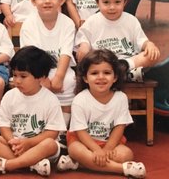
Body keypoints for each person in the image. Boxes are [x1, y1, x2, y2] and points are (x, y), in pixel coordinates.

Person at [56, 49, 146, 178]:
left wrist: (107, 149)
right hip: (83, 142)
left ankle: (78, 164)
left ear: (115, 77)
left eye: (107, 72)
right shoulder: (80, 100)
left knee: (126, 155)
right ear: (85, 78)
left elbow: (119, 127)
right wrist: (97, 150)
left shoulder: (121, 98)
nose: (101, 77)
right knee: (74, 149)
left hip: (109, 142)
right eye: (94, 73)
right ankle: (123, 169)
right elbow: (80, 132)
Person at [0, 46, 66, 177]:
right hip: (15, 147)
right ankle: (31, 165)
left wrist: (28, 143)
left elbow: (52, 133)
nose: (17, 80)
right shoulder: (9, 96)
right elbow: (3, 125)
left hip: (38, 148)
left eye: (23, 76)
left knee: (50, 145)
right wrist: (12, 142)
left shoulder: (50, 99)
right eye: (14, 75)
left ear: (41, 77)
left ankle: (7, 165)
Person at [75, 0, 160, 81]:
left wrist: (149, 45)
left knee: (153, 55)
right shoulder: (92, 21)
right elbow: (83, 40)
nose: (112, 7)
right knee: (83, 55)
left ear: (124, 1)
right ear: (97, 2)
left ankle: (122, 69)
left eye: (117, 2)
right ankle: (124, 75)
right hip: (101, 66)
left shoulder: (131, 20)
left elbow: (142, 41)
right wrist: (84, 45)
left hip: (127, 62)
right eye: (106, 2)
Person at [20, 0, 76, 126]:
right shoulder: (29, 24)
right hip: (36, 70)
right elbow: (31, 56)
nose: (47, 1)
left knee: (69, 80)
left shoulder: (68, 23)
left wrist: (58, 77)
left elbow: (66, 52)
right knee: (33, 84)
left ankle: (62, 130)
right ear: (32, 0)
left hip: (61, 68)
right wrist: (42, 79)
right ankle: (39, 126)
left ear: (62, 0)